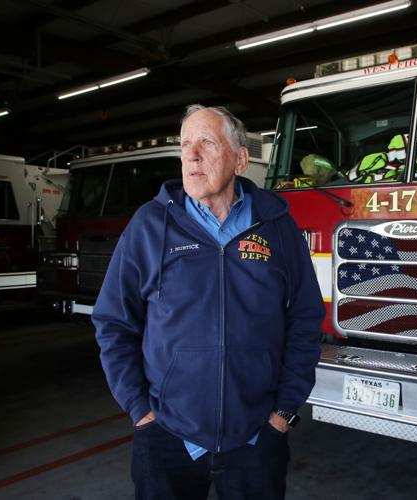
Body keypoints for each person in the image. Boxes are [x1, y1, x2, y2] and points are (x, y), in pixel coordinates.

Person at [93, 104, 325, 500]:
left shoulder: (276, 227)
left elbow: (305, 318)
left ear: (240, 159)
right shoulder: (150, 225)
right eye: (185, 145)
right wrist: (140, 410)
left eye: (206, 143)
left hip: (257, 439)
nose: (191, 155)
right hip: (167, 437)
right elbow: (113, 321)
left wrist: (283, 413)